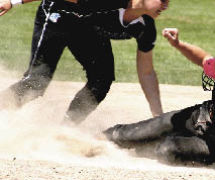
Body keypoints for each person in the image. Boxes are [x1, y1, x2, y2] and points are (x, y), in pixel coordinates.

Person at [104, 28, 215, 165]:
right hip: (199, 117)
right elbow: (202, 57)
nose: (214, 80)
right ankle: (91, 141)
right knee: (128, 134)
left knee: (167, 150)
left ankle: (138, 151)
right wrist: (177, 44)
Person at [0, 0, 167, 124]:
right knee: (37, 81)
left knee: (101, 79)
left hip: (86, 30)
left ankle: (66, 129)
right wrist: (13, 2)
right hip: (59, 16)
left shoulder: (145, 28)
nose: (166, 5)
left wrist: (158, 116)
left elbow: (147, 72)